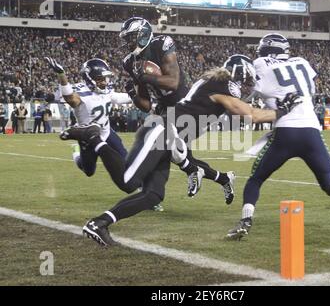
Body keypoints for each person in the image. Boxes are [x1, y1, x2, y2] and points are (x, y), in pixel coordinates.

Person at [62, 54, 300, 246]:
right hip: (162, 132)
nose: (248, 87)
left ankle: (99, 224)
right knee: (128, 181)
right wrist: (281, 112)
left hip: (170, 138)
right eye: (247, 81)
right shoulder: (221, 84)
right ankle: (93, 138)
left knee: (153, 195)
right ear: (238, 76)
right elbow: (250, 115)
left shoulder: (215, 83)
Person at [226, 33, 330, 240]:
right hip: (311, 131)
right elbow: (307, 90)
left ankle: (245, 221)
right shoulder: (302, 62)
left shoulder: (260, 63)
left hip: (286, 131)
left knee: (256, 179)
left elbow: (246, 95)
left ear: (265, 49)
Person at [120, 17, 235, 202]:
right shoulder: (130, 61)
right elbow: (146, 105)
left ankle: (164, 187)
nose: (128, 42)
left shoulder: (161, 44)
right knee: (177, 154)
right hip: (163, 107)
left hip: (184, 103)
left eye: (131, 37)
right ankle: (223, 178)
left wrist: (145, 78)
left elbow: (173, 83)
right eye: (126, 38)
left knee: (168, 150)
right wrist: (133, 94)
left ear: (143, 35)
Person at [45, 57, 132, 178]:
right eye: (100, 79)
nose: (104, 82)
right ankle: (76, 155)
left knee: (125, 159)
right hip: (88, 136)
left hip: (106, 132)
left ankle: (140, 185)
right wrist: (61, 74)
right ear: (89, 78)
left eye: (105, 78)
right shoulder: (80, 91)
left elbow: (116, 97)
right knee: (89, 171)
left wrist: (135, 95)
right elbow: (70, 98)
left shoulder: (106, 90)